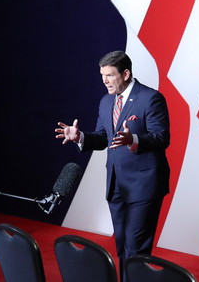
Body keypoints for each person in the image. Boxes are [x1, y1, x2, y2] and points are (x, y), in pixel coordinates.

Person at [55, 50, 170, 282]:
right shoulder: (106, 101)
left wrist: (134, 140)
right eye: (102, 75)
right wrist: (80, 137)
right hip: (116, 186)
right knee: (122, 247)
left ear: (125, 74)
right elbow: (102, 138)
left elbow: (162, 137)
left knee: (136, 248)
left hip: (144, 185)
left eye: (109, 75)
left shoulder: (151, 98)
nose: (104, 80)